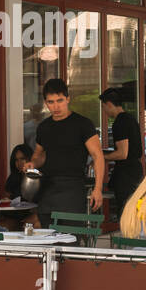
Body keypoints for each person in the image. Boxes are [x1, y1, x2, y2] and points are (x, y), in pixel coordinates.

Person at [27, 78, 105, 226]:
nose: (56, 106)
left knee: (71, 241)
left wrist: (98, 188)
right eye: (51, 102)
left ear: (68, 99)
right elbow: (38, 155)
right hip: (47, 189)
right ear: (45, 103)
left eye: (60, 100)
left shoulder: (83, 124)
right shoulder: (44, 127)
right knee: (46, 241)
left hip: (73, 189)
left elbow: (98, 156)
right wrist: (32, 164)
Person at [99, 88, 144, 220]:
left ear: (109, 104)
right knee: (133, 211)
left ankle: (127, 239)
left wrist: (102, 157)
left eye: (103, 107)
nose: (104, 111)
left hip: (126, 174)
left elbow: (122, 153)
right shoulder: (130, 119)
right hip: (134, 171)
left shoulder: (120, 122)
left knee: (126, 213)